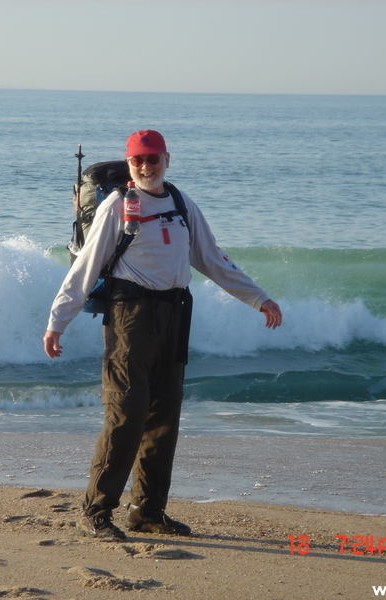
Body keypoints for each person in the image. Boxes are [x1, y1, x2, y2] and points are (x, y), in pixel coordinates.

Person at [43, 130, 282, 541]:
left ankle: (148, 511)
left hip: (174, 315)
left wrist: (259, 299)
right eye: (138, 160)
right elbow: (84, 268)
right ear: (129, 164)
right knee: (126, 414)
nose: (146, 166)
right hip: (130, 319)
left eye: (153, 159)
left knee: (163, 417)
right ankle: (96, 511)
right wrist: (57, 321)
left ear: (167, 160)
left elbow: (213, 259)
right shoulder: (118, 206)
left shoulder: (182, 203)